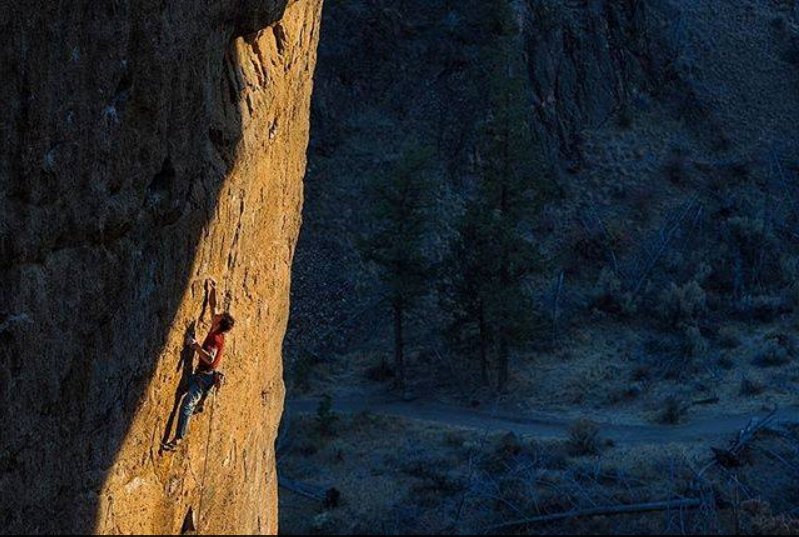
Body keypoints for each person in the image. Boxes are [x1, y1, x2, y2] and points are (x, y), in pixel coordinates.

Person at [162, 278, 234, 452]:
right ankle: (202, 400)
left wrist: (194, 345)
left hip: (204, 377)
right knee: (189, 399)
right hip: (207, 375)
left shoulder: (215, 338)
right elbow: (212, 306)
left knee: (186, 404)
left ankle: (178, 439)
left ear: (219, 322)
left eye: (219, 316)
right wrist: (212, 289)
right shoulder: (216, 330)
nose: (216, 315)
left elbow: (209, 358)